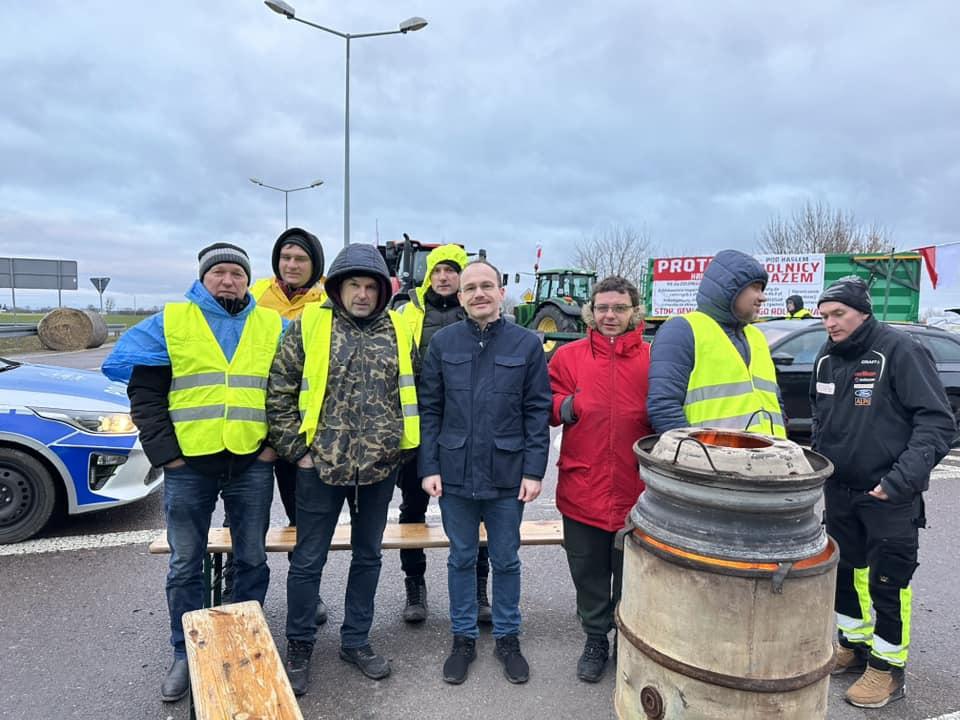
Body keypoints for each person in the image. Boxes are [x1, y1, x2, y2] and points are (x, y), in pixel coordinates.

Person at [102, 243, 281, 703]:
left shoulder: (270, 325)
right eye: (218, 273)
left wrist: (271, 450)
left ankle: (245, 641)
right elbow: (145, 395)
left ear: (248, 279)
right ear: (203, 279)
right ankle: (185, 651)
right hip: (189, 468)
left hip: (250, 462)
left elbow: (289, 391)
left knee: (253, 558)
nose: (228, 280)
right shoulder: (172, 323)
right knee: (185, 563)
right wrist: (168, 457)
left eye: (236, 274)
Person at [265, 243, 419, 696]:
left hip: (378, 467)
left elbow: (411, 392)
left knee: (368, 556)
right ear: (336, 286)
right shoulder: (308, 326)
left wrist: (398, 451)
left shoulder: (396, 329)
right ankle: (300, 646)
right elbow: (280, 391)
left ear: (382, 292)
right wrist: (299, 451)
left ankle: (356, 640)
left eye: (371, 286)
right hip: (320, 467)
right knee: (309, 559)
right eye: (354, 284)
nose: (363, 294)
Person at [811, 276, 954, 708]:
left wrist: (897, 482)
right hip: (840, 490)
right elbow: (822, 419)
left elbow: (937, 423)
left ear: (863, 312)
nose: (830, 324)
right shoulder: (827, 357)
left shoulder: (900, 350)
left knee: (888, 582)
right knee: (843, 573)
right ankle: (853, 646)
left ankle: (888, 669)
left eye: (838, 314)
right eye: (824, 316)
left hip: (889, 495)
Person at [419, 260, 551, 686]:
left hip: (507, 473)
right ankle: (463, 639)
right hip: (455, 473)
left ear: (500, 292)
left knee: (506, 560)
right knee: (460, 558)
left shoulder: (527, 344)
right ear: (459, 296)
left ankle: (508, 639)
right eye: (470, 287)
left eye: (486, 286)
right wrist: (429, 467)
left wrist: (533, 470)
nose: (478, 293)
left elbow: (536, 411)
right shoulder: (442, 343)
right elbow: (431, 410)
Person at [548, 276, 652, 683]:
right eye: (603, 308)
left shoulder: (652, 357)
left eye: (619, 308)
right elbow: (547, 404)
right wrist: (569, 405)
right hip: (583, 481)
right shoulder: (568, 356)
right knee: (588, 568)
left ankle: (626, 635)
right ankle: (595, 636)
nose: (610, 316)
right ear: (591, 310)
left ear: (633, 312)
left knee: (633, 569)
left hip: (637, 485)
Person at [394, 243, 491, 624]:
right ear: (428, 275)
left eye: (452, 270)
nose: (445, 277)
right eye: (438, 270)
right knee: (412, 507)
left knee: (476, 507)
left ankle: (478, 590)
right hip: (419, 426)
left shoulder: (479, 314)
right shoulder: (406, 314)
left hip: (470, 430)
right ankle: (414, 586)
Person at [244, 227, 329, 625]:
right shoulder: (255, 297)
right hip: (256, 432)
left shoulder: (329, 302)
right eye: (285, 258)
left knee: (306, 521)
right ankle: (242, 597)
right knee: (246, 522)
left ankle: (307, 595)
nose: (291, 266)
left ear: (315, 265)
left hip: (304, 434)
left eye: (300, 259)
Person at [647, 248, 786, 438]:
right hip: (711, 462)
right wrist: (695, 457)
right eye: (755, 287)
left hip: (766, 460)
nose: (763, 297)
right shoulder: (682, 330)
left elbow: (775, 400)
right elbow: (664, 406)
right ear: (729, 288)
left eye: (762, 289)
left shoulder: (757, 336)